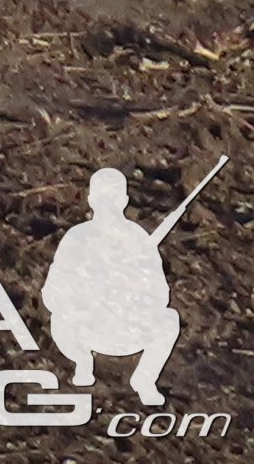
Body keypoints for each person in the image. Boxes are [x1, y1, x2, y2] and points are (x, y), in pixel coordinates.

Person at [43, 166, 190, 406]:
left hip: (127, 332)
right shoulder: (78, 238)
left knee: (169, 319)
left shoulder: (137, 240)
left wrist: (130, 288)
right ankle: (82, 361)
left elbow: (160, 296)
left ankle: (144, 379)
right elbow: (53, 293)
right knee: (61, 316)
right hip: (86, 330)